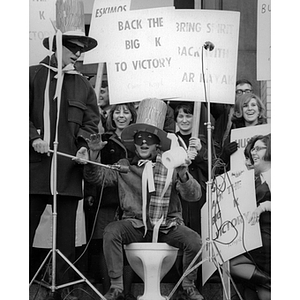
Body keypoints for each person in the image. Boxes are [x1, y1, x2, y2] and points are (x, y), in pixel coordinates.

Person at [79, 98, 205, 300]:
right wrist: (93, 154)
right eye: (139, 139)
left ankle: (188, 286)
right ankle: (117, 286)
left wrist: (183, 175)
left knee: (194, 240)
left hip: (167, 225)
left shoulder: (172, 165)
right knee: (111, 230)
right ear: (134, 145)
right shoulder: (125, 166)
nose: (144, 142)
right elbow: (96, 178)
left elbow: (194, 195)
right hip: (136, 225)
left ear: (158, 145)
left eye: (149, 138)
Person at [29, 2, 100, 299]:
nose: (78, 54)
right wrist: (32, 137)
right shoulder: (32, 75)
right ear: (57, 45)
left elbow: (93, 124)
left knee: (66, 240)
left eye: (82, 49)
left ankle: (64, 289)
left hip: (69, 173)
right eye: (73, 46)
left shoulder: (83, 85)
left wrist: (84, 148)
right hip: (32, 173)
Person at [84, 103, 137, 299]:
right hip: (106, 199)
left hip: (132, 201)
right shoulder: (104, 139)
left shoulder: (139, 139)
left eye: (126, 112)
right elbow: (93, 169)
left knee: (128, 246)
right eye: (117, 112)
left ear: (132, 116)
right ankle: (110, 290)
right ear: (111, 116)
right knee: (104, 244)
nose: (121, 116)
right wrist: (90, 192)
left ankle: (127, 292)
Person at [230, 134, 271, 300]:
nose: (254, 152)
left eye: (259, 148)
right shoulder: (261, 177)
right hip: (259, 238)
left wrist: (262, 207)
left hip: (269, 239)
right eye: (253, 149)